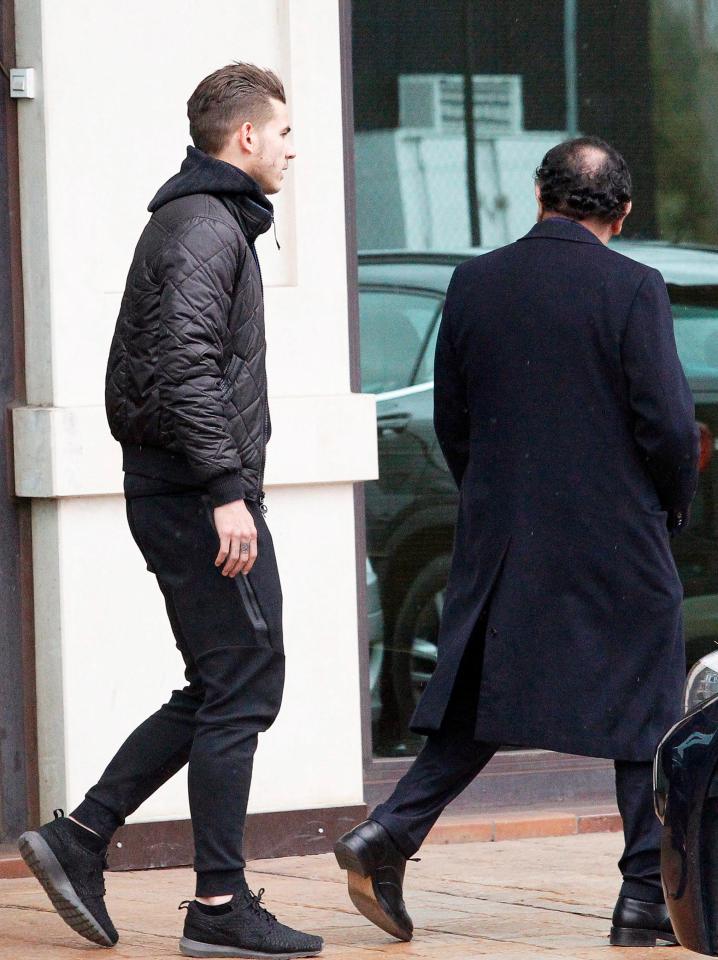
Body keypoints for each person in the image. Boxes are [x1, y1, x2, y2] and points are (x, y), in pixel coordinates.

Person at [335, 136, 699, 948]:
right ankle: (643, 895)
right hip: (615, 537)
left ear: (539, 195)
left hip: (503, 533)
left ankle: (388, 832)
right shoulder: (634, 288)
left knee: (480, 701)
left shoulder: (474, 282)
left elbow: (451, 420)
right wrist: (669, 504)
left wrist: (496, 500)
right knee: (644, 705)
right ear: (624, 212)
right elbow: (670, 426)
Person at [18, 63, 323, 960]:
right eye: (284, 131)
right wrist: (228, 491)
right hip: (197, 496)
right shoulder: (202, 227)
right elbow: (185, 367)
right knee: (245, 682)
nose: (293, 146)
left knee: (222, 683)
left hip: (183, 489)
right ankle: (219, 905)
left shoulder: (207, 221)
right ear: (246, 139)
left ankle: (80, 837)